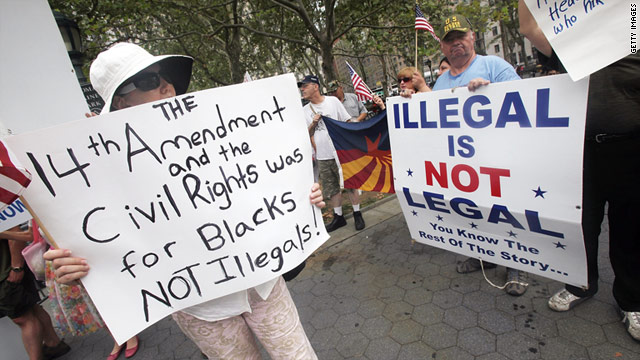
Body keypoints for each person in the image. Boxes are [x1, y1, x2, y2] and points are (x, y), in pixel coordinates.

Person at [44, 43, 325, 359]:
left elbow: (265, 178)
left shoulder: (218, 130)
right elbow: (106, 241)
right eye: (149, 81)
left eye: (164, 76)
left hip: (263, 282)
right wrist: (81, 265)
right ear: (120, 103)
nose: (165, 85)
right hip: (199, 306)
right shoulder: (101, 174)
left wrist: (302, 196)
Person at [519, 0, 640, 341]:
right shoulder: (577, 45)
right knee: (582, 225)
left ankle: (631, 299)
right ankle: (581, 285)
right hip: (582, 150)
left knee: (629, 230)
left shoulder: (635, 41)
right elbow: (530, 29)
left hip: (630, 149)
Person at [432, 14, 528, 296]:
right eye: (449, 40)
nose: (456, 44)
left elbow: (526, 102)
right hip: (464, 169)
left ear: (472, 37)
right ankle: (483, 255)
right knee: (475, 213)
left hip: (498, 162)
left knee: (506, 213)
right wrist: (411, 104)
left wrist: (492, 91)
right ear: (443, 48)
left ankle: (516, 265)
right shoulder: (440, 84)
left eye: (460, 37)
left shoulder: (494, 65)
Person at [300, 75, 365, 232]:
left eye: (305, 86)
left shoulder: (333, 102)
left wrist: (353, 141)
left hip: (341, 152)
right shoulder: (305, 111)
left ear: (315, 86)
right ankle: (339, 217)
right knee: (331, 188)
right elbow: (306, 134)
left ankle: (357, 213)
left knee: (350, 183)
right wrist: (314, 123)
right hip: (323, 155)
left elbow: (347, 121)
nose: (302, 89)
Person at [0, 223, 70, 360]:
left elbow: (14, 229)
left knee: (23, 317)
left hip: (7, 274)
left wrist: (16, 267)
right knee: (30, 309)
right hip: (9, 271)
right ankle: (53, 343)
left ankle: (40, 354)